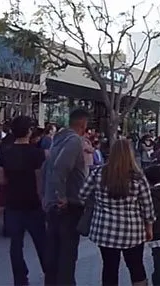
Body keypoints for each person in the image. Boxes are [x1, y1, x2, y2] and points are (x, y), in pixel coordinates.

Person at [79, 139, 155, 286]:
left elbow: (82, 194)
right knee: (136, 267)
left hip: (105, 231)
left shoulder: (98, 173)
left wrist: (97, 203)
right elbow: (147, 206)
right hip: (132, 231)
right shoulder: (138, 178)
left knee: (109, 267)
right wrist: (149, 227)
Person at [0, 116, 47, 285]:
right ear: (29, 131)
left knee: (16, 245)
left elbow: (1, 179)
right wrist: (42, 200)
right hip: (32, 203)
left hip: (13, 203)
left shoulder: (5, 151)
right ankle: (49, 273)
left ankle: (20, 279)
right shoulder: (36, 153)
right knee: (41, 242)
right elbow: (39, 180)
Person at [43, 109, 89, 286]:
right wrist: (60, 195)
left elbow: (48, 167)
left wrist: (47, 196)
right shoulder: (74, 141)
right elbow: (60, 167)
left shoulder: (57, 140)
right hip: (68, 205)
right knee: (67, 255)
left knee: (54, 252)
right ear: (82, 124)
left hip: (55, 204)